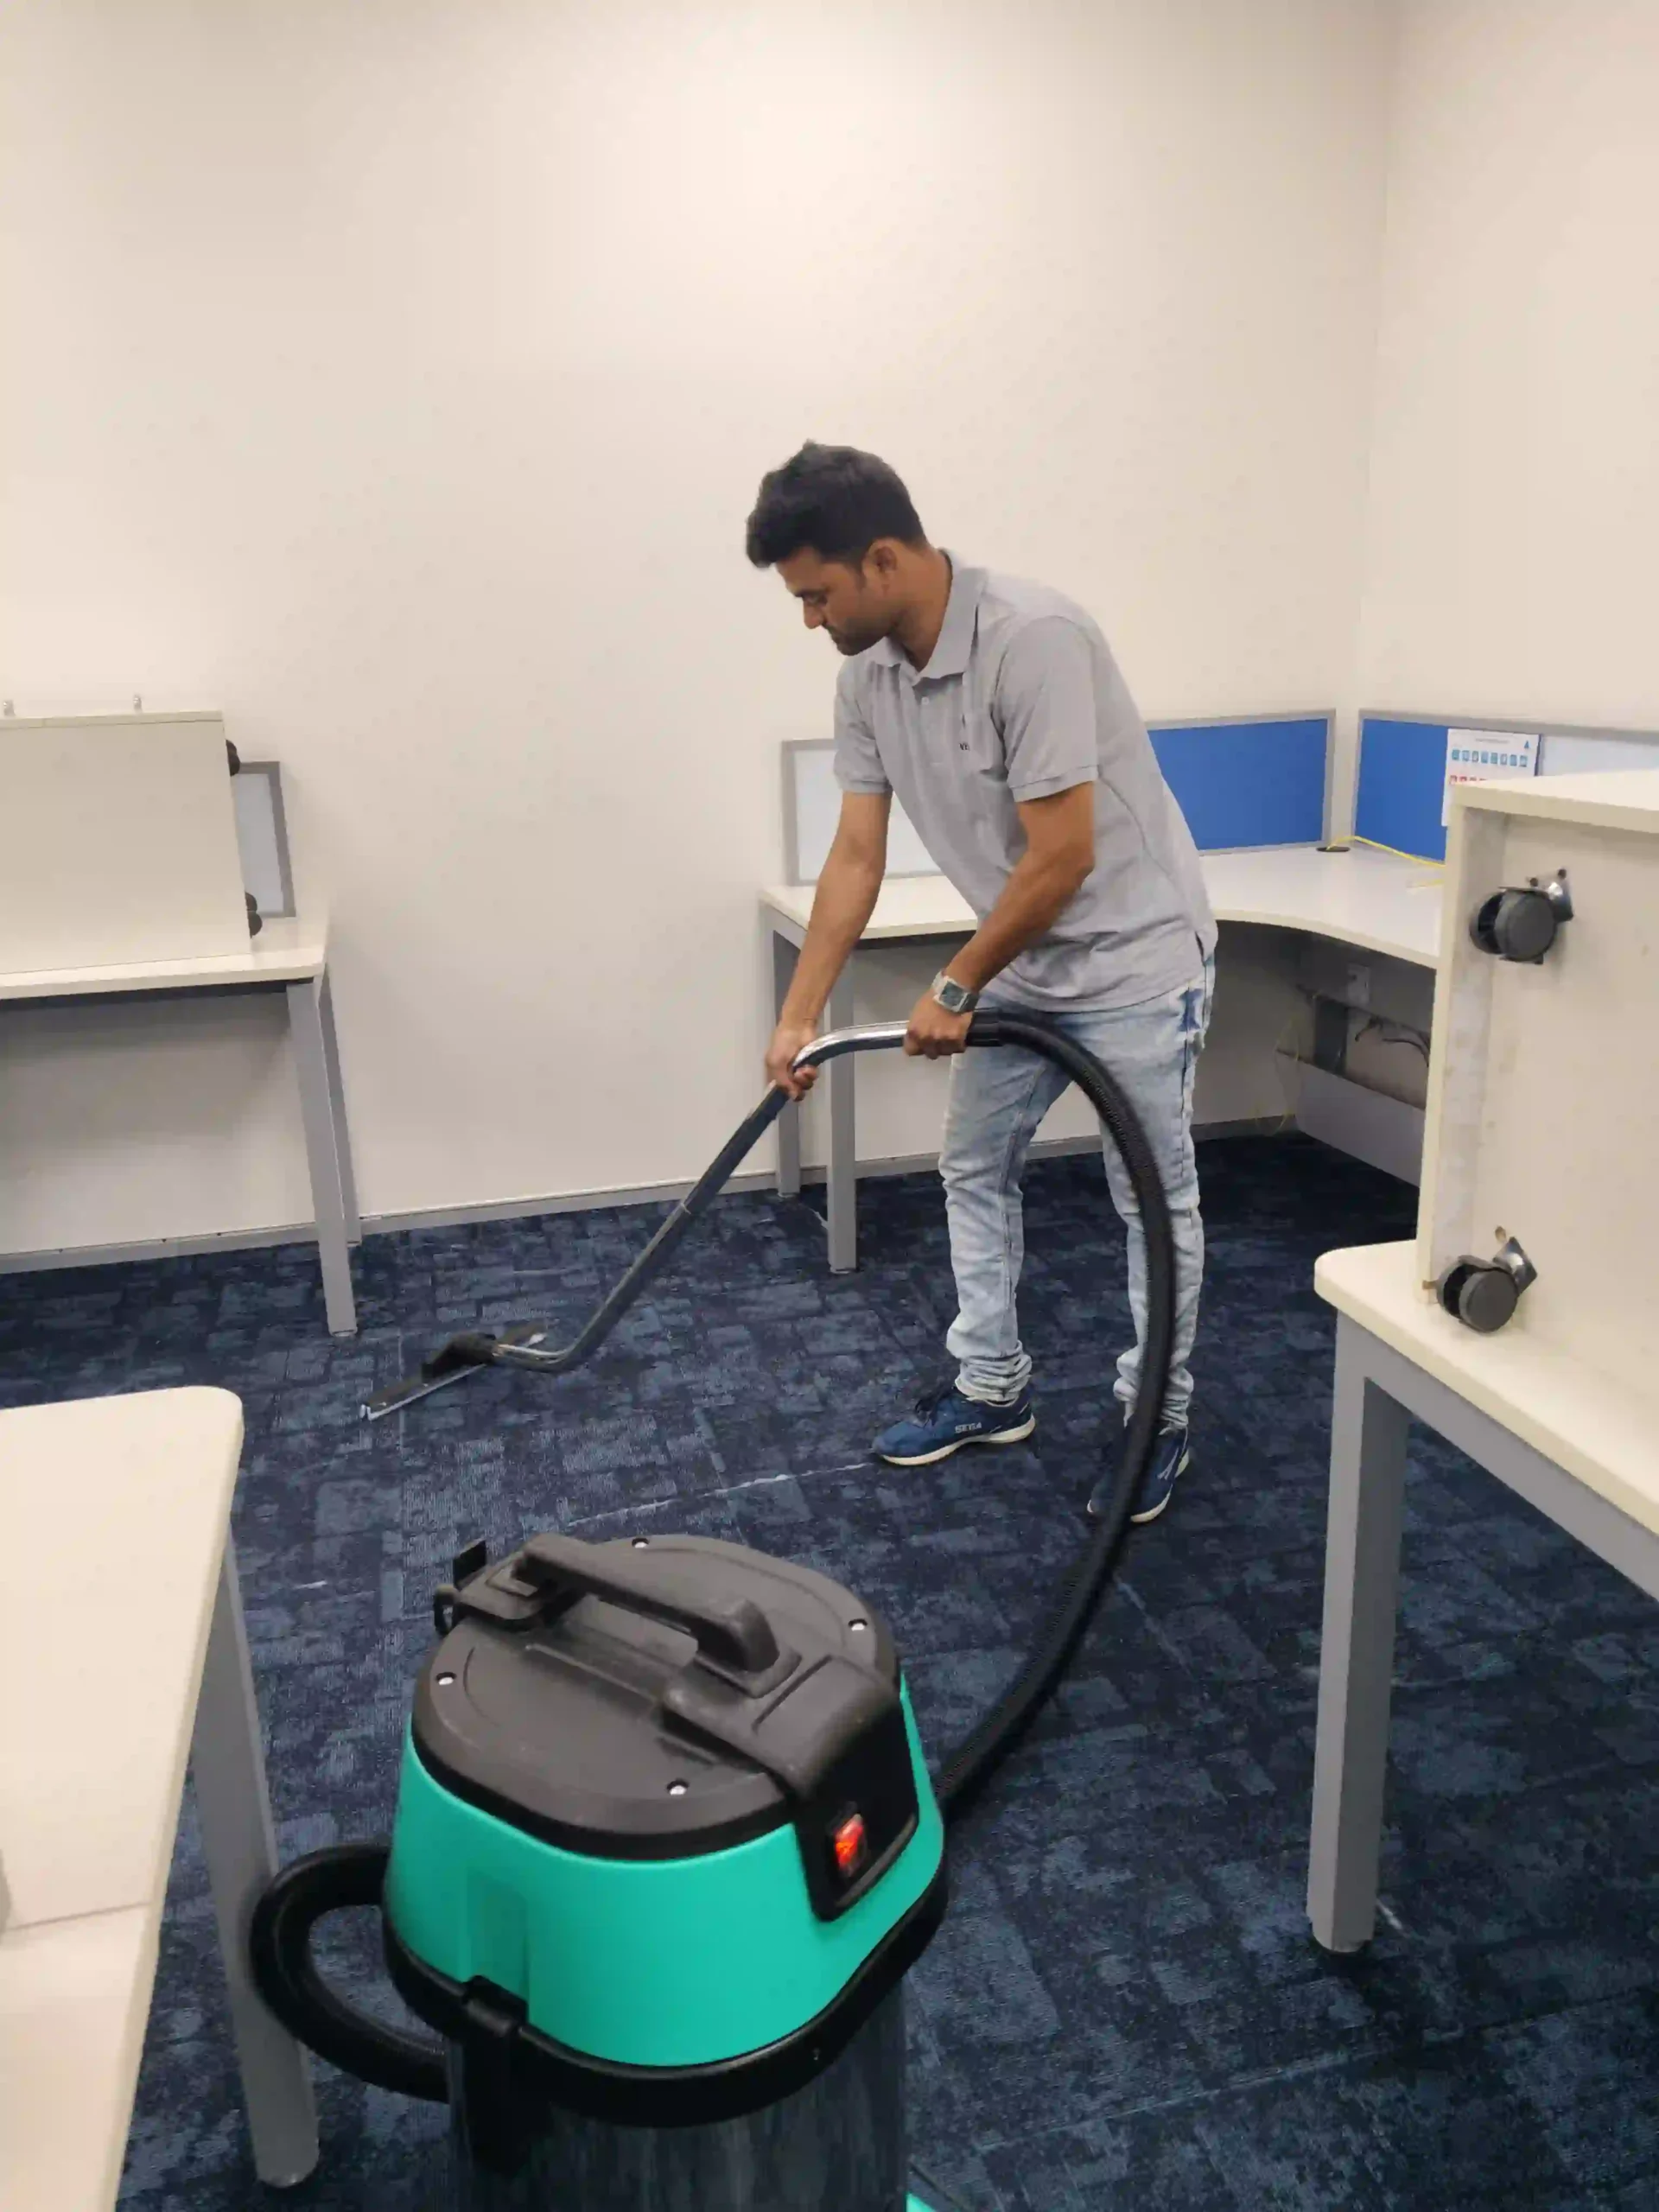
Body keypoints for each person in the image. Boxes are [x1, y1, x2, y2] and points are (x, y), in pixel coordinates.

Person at [747, 444, 1216, 1523]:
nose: (810, 619)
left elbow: (1064, 856)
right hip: (1026, 958)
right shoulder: (866, 679)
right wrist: (797, 1016)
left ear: (882, 559)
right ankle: (993, 1385)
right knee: (974, 1163)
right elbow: (855, 857)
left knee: (1151, 1194)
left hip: (1135, 960)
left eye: (818, 594)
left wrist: (956, 985)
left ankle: (1158, 1413)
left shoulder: (1033, 639)